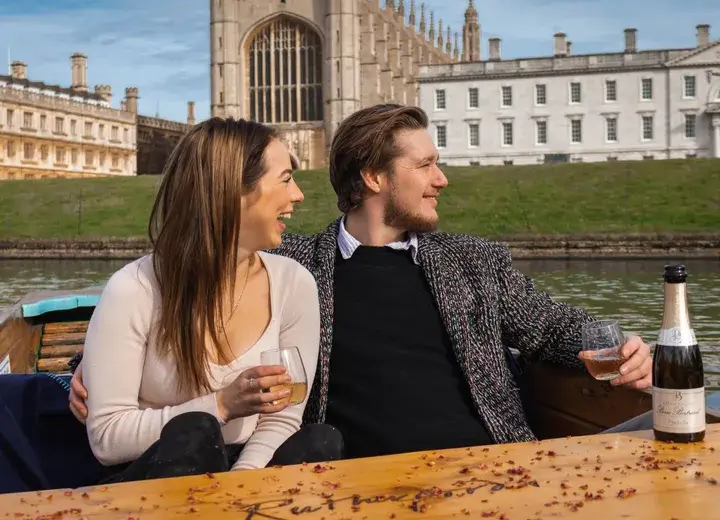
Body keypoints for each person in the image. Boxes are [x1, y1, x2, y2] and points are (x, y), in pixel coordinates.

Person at [70, 104, 652, 461]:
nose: (442, 179)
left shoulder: (474, 262)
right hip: (354, 479)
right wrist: (84, 373)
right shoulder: (295, 266)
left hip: (490, 467)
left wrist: (621, 344)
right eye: (424, 165)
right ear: (373, 177)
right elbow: (178, 288)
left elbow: (553, 325)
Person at [76, 117, 342, 483]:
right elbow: (106, 438)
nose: (297, 194)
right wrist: (221, 405)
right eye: (284, 179)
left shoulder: (294, 283)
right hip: (159, 475)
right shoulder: (134, 288)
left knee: (321, 440)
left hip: (250, 471)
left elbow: (282, 417)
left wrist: (240, 487)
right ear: (233, 191)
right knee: (196, 433)